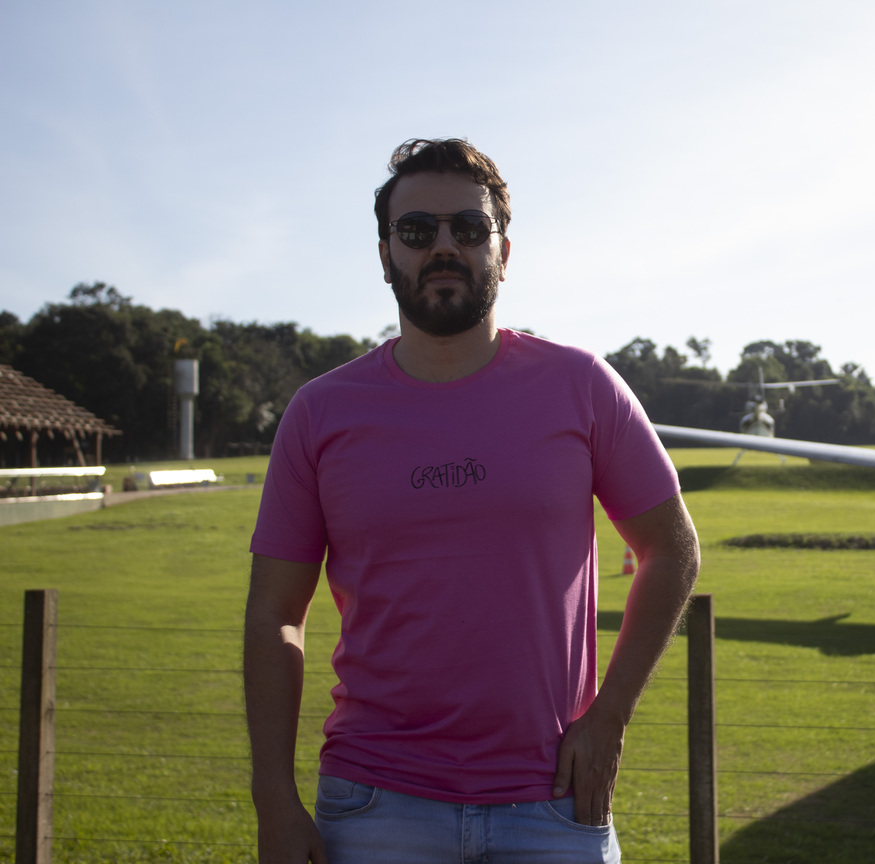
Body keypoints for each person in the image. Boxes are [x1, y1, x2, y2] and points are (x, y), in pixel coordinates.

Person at [243, 138, 700, 864]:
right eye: (416, 231)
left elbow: (672, 551)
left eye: (468, 228)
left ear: (503, 252)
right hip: (374, 806)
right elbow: (275, 613)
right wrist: (273, 796)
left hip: (553, 803)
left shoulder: (582, 386)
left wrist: (610, 717)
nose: (443, 247)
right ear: (385, 255)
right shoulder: (320, 413)